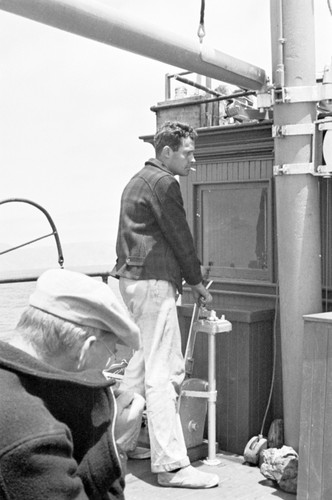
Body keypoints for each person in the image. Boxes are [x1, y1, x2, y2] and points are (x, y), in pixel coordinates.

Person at [111, 121, 219, 489]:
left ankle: (118, 444)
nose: (193, 159)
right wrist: (197, 283)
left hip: (132, 282)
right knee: (163, 373)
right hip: (154, 285)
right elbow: (180, 236)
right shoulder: (164, 183)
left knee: (140, 368)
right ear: (167, 152)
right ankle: (172, 465)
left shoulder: (138, 179)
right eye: (187, 152)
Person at [0, 268, 143, 500]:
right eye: (112, 354)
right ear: (86, 349)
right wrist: (112, 443)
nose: (113, 365)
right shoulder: (34, 439)